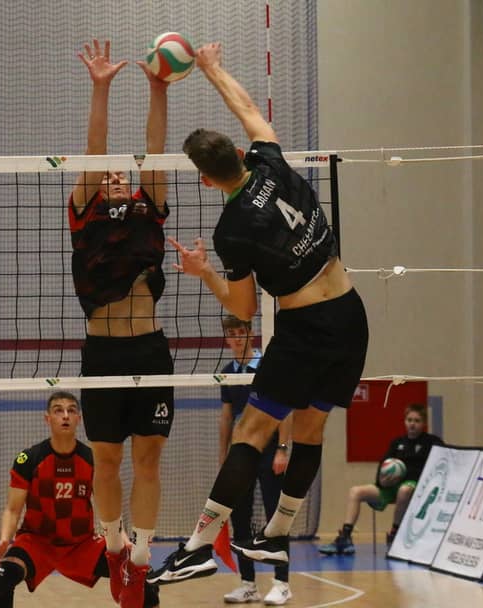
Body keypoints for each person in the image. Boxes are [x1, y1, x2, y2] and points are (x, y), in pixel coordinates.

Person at [148, 41, 368, 585]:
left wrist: (204, 274)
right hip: (350, 315)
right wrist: (212, 68)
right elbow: (249, 110)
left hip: (304, 329)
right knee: (311, 429)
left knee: (251, 431)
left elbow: (243, 310)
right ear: (241, 153)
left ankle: (199, 545)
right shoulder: (271, 160)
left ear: (205, 180)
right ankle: (277, 533)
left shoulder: (232, 231)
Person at [67, 39, 173, 608]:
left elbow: (155, 148)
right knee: (106, 462)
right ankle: (113, 546)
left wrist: (158, 88)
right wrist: (100, 87)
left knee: (148, 460)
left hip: (149, 351)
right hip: (103, 354)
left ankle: (141, 558)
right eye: (104, 172)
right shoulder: (84, 213)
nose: (111, 174)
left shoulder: (147, 206)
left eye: (118, 172)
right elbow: (94, 147)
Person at [0, 391, 159, 608]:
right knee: (2, 578)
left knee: (144, 577)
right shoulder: (29, 459)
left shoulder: (93, 460)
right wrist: (5, 539)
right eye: (58, 410)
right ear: (47, 418)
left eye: (71, 410)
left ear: (79, 418)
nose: (65, 416)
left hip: (82, 545)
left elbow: (109, 506)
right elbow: (12, 509)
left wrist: (122, 538)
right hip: (37, 543)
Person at [217, 315, 292, 605]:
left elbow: (285, 409)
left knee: (276, 518)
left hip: (270, 448)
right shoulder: (228, 372)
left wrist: (282, 449)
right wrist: (223, 457)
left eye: (241, 332)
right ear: (227, 338)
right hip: (241, 452)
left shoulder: (267, 368)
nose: (237, 338)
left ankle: (282, 583)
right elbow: (227, 417)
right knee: (240, 518)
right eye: (231, 334)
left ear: (250, 334)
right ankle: (248, 584)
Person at [318, 403, 444, 555]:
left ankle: (395, 533)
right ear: (405, 421)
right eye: (409, 420)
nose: (412, 424)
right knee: (356, 491)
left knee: (404, 490)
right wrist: (381, 481)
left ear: (424, 423)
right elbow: (383, 465)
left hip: (414, 486)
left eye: (417, 421)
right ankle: (345, 537)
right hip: (391, 487)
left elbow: (443, 462)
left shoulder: (432, 442)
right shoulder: (397, 443)